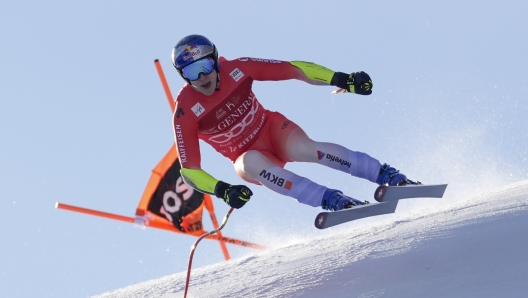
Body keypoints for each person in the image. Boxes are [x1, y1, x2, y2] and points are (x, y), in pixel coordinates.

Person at [171, 34, 417, 212]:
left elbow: (294, 70)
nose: (201, 77)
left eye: (204, 66)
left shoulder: (237, 68)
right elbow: (189, 171)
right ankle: (331, 199)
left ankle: (385, 174)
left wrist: (342, 79)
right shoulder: (185, 112)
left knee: (304, 149)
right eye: (191, 72)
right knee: (248, 162)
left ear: (214, 60)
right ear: (183, 76)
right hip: (249, 157)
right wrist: (223, 190)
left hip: (272, 130)